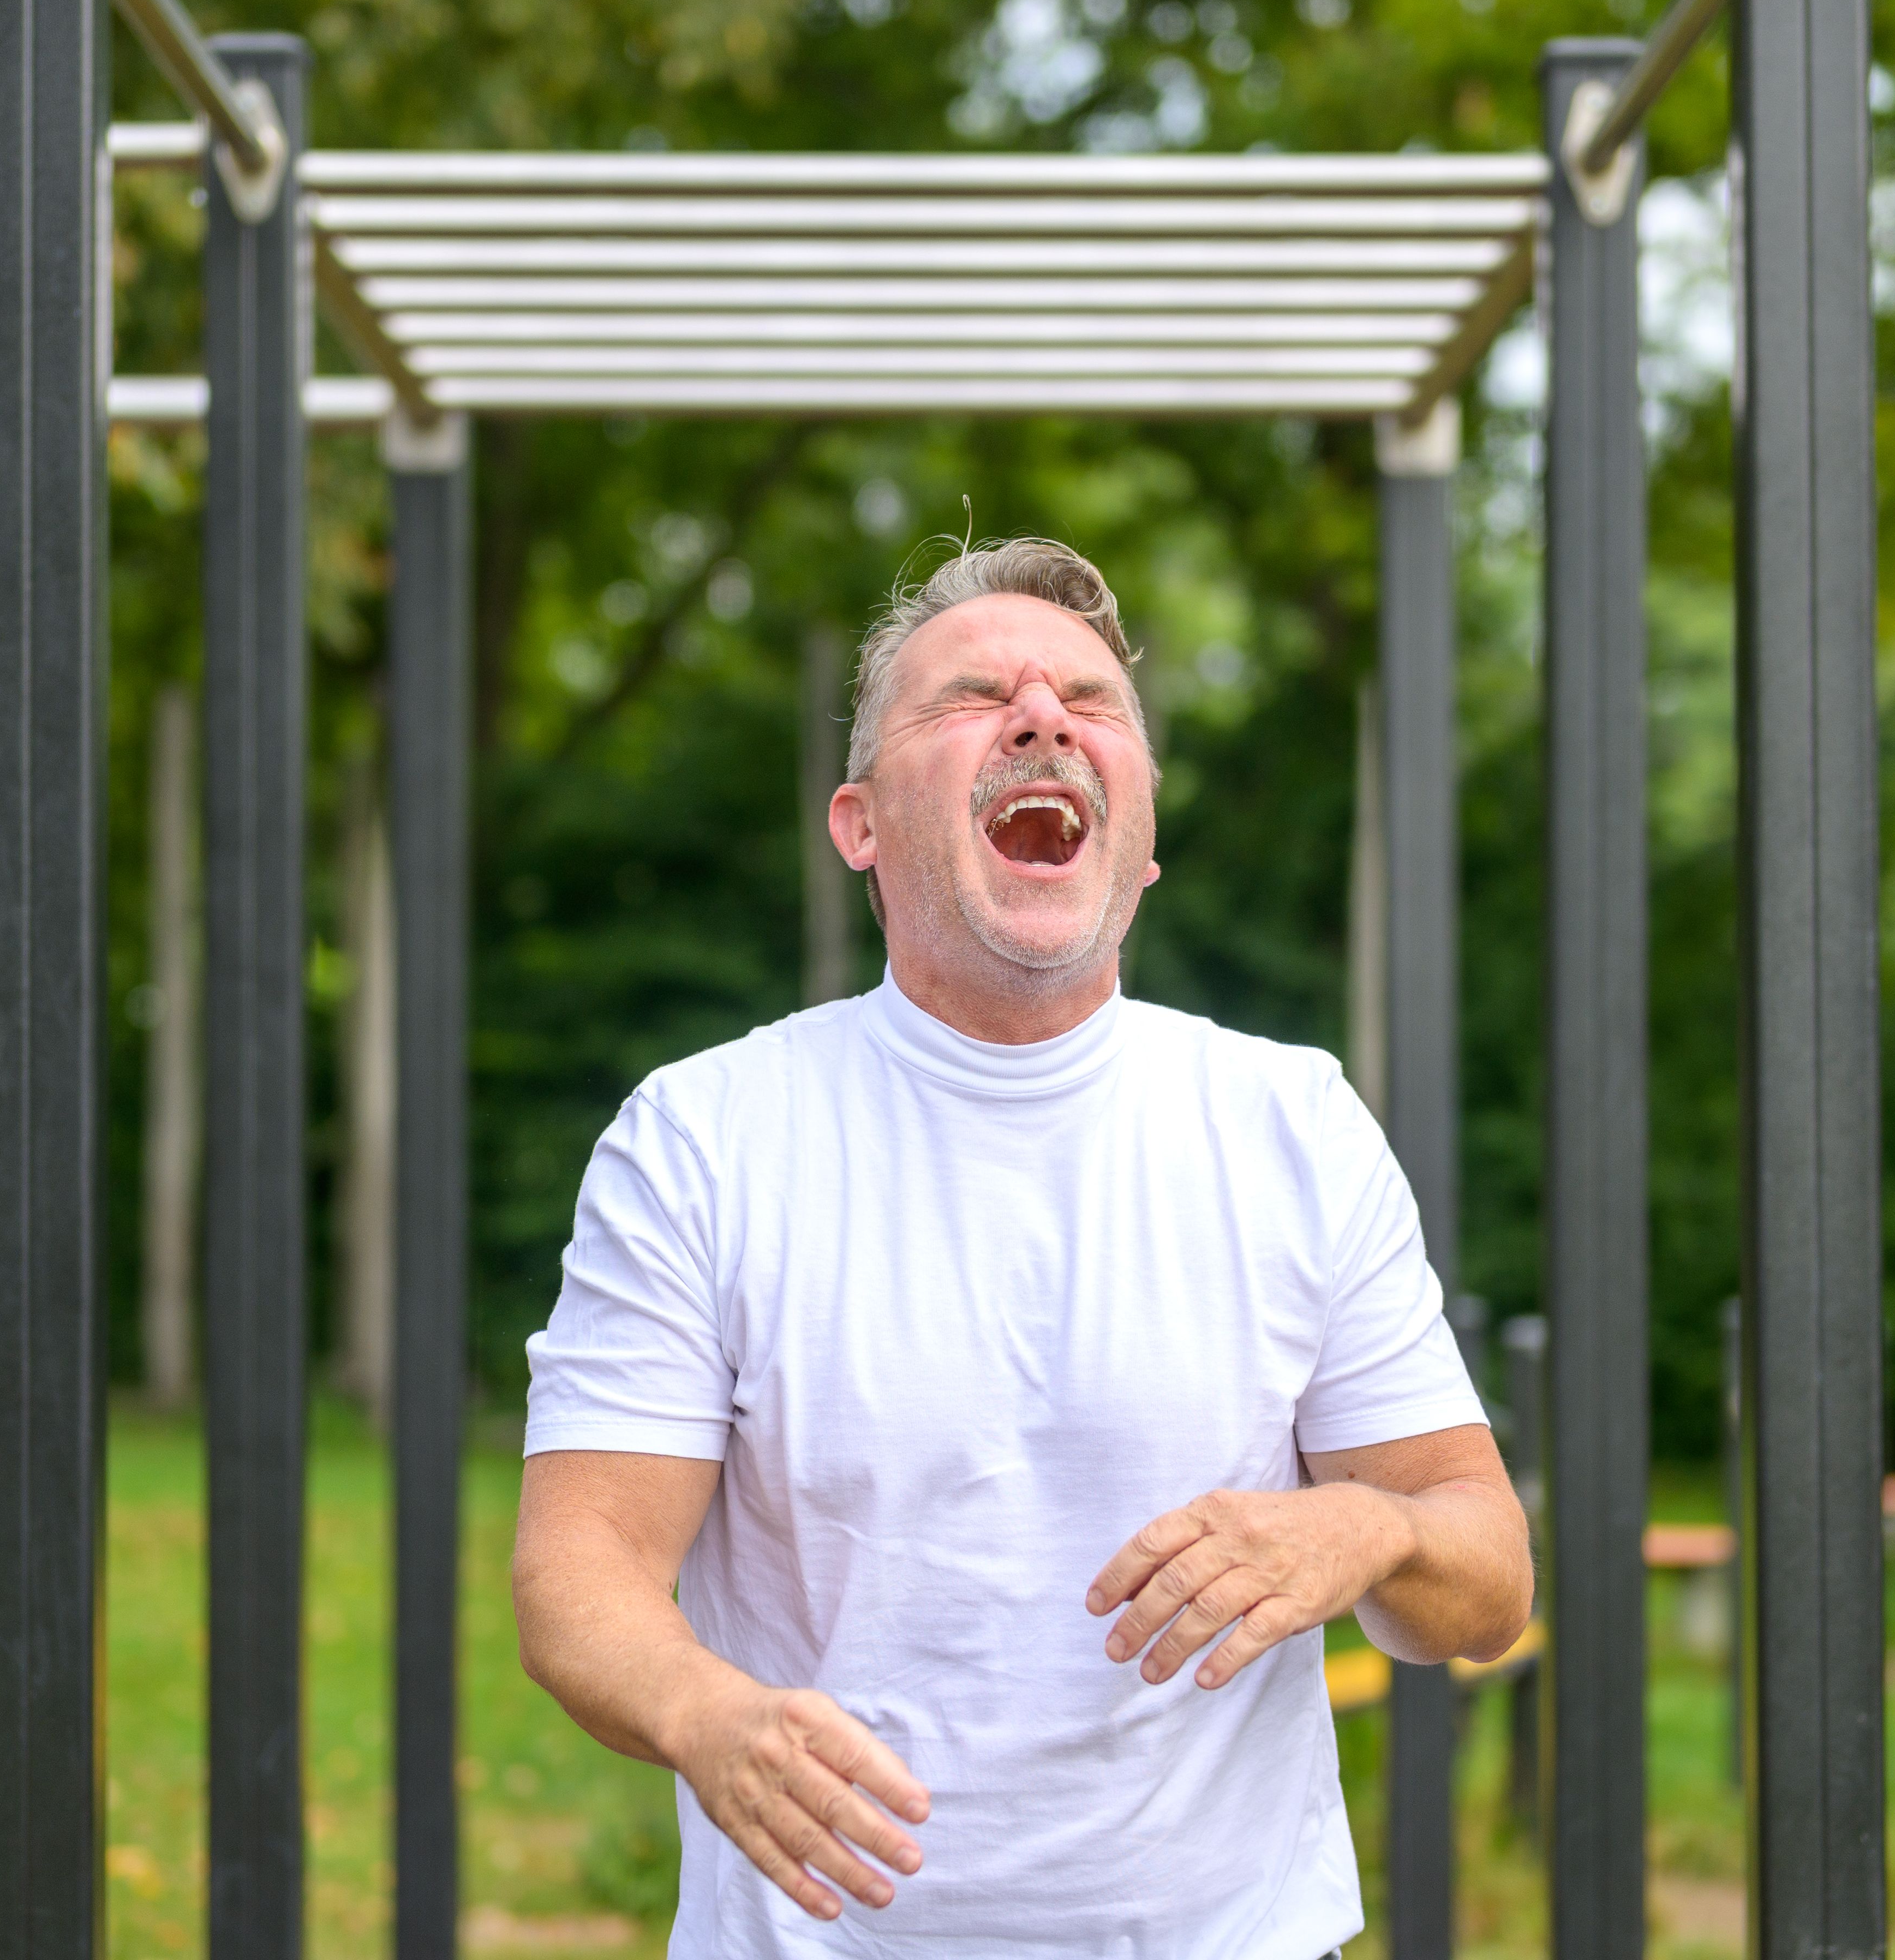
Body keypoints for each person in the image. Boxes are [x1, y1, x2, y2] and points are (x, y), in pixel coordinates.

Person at [512, 536, 1532, 1958]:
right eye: (973, 695)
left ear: (1144, 838)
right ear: (859, 824)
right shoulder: (707, 1137)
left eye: (1091, 701)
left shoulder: (1292, 1123)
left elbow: (1483, 1581)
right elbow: (580, 1569)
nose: (1044, 716)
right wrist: (710, 1718)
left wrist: (1370, 1525)